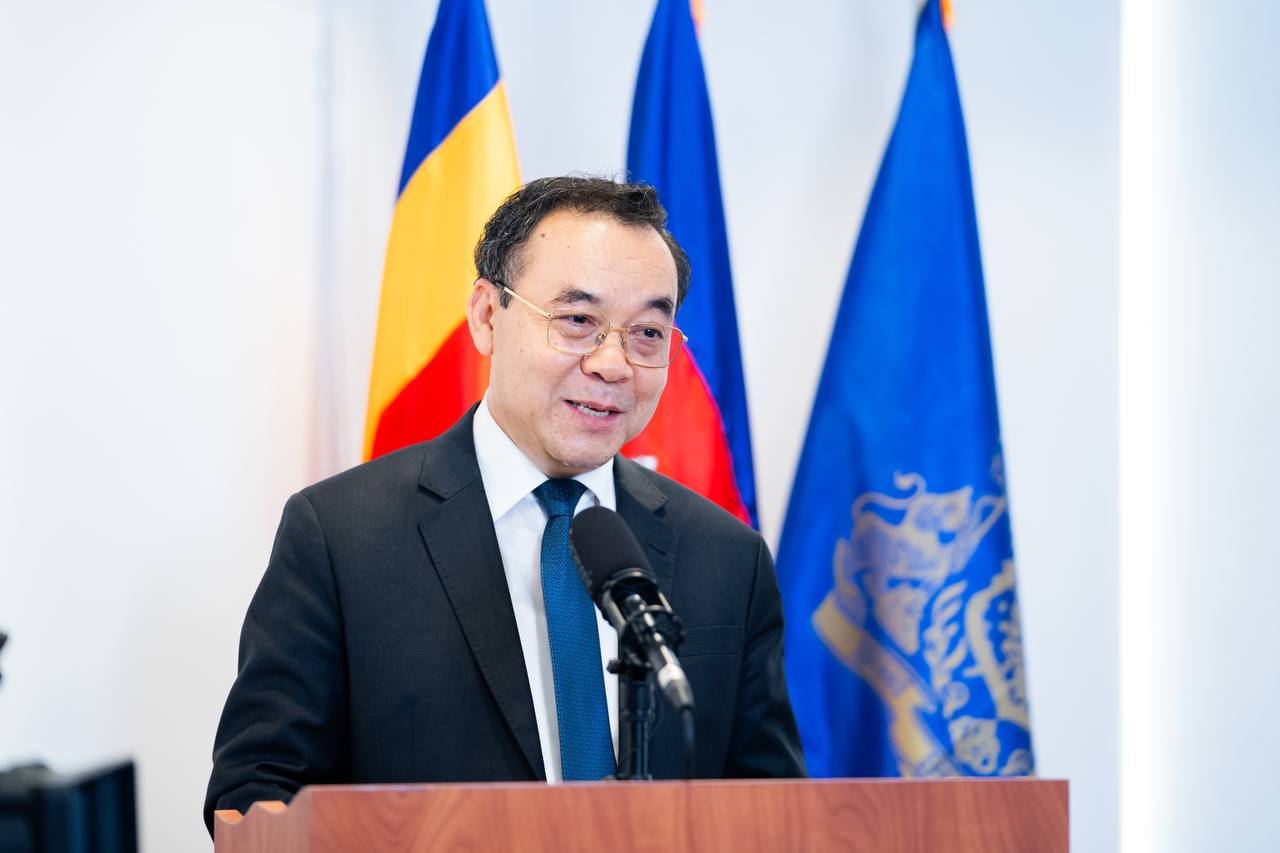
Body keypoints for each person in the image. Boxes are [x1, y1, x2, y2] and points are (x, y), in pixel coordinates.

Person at [203, 176, 806, 833]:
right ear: (487, 316)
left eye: (648, 333)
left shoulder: (729, 556)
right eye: (578, 322)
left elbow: (776, 810)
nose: (613, 364)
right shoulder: (342, 537)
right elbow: (255, 793)